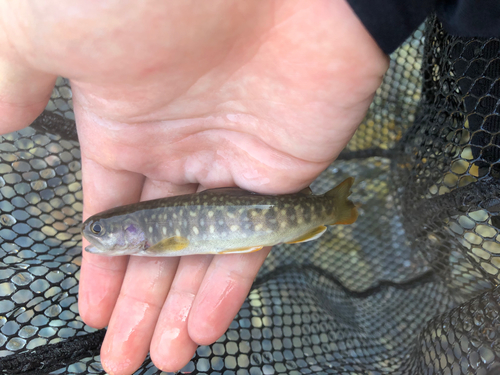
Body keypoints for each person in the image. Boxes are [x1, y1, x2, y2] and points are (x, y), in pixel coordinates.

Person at [0, 1, 497, 374]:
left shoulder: (159, 239)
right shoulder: (154, 231)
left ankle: (328, 209)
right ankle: (328, 209)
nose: (99, 236)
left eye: (106, 230)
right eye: (102, 231)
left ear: (135, 231)